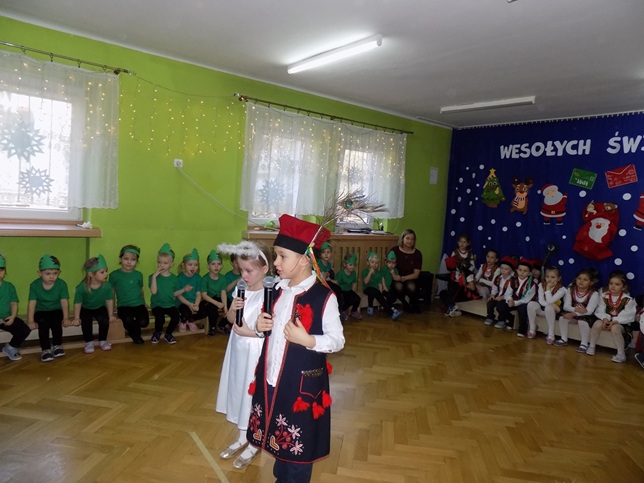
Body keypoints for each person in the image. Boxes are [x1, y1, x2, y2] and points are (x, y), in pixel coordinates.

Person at [250, 214, 345, 483]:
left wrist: (309, 340)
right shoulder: (277, 290)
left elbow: (338, 340)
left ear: (304, 259)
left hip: (301, 384)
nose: (276, 263)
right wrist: (259, 326)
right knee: (279, 431)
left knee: (298, 444)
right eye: (276, 256)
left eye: (282, 256)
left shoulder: (324, 296)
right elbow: (266, 329)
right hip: (273, 376)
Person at [215, 241, 272, 469]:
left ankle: (254, 441)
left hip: (255, 352)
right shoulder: (241, 289)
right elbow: (230, 319)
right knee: (238, 389)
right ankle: (242, 436)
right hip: (237, 350)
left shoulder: (270, 294)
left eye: (249, 271)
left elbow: (270, 329)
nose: (244, 275)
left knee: (252, 395)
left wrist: (249, 331)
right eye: (241, 270)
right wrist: (233, 308)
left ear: (265, 269)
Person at [27, 254, 70, 362]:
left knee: (56, 323)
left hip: (56, 310)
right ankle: (45, 349)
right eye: (48, 274)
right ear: (39, 273)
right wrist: (30, 320)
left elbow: (64, 301)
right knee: (43, 324)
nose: (52, 277)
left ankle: (57, 345)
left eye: (55, 273)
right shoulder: (34, 285)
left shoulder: (61, 284)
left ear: (59, 272)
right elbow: (32, 303)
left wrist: (66, 317)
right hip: (41, 311)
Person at [72, 255, 117, 354]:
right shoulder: (82, 287)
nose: (106, 274)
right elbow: (78, 303)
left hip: (100, 307)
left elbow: (109, 300)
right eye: (102, 272)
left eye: (106, 271)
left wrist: (110, 315)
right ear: (91, 274)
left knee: (104, 320)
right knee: (86, 321)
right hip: (86, 308)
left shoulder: (107, 286)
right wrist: (76, 317)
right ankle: (89, 342)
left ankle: (103, 340)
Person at [589, 270, 637, 362]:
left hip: (621, 323)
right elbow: (600, 309)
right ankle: (591, 346)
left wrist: (614, 321)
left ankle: (621, 354)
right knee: (597, 323)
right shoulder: (604, 296)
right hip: (606, 320)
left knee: (615, 328)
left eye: (617, 284)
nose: (613, 286)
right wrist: (605, 318)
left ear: (623, 287)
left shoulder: (628, 300)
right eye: (611, 283)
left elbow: (628, 315)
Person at [109, 245, 149, 345]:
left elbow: (141, 289)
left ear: (136, 261)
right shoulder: (114, 275)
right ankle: (135, 335)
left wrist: (144, 302)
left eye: (133, 260)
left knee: (144, 322)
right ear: (120, 259)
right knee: (127, 320)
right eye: (126, 259)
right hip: (123, 305)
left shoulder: (138, 275)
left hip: (138, 304)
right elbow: (112, 292)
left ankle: (134, 331)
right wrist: (112, 307)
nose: (129, 262)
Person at [559, 268, 599, 352]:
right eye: (579, 278)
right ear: (575, 279)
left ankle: (584, 344)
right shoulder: (571, 289)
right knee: (563, 317)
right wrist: (576, 310)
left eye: (585, 280)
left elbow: (589, 311)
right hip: (574, 313)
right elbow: (566, 306)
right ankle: (563, 339)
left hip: (587, 316)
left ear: (591, 282)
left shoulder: (594, 293)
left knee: (582, 321)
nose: (581, 281)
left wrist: (574, 314)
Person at [148, 243, 181, 344]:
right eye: (159, 262)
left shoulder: (174, 279)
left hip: (170, 304)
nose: (161, 265)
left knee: (176, 317)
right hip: (157, 305)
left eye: (165, 263)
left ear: (171, 264)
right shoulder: (152, 277)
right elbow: (153, 292)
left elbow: (175, 293)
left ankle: (168, 334)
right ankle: (157, 333)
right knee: (160, 318)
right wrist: (154, 277)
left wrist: (184, 290)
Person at [0, 254, 31, 361]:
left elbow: (13, 303)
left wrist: (13, 317)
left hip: (6, 318)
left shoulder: (9, 286)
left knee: (24, 329)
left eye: (1, 270)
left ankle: (10, 347)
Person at [525, 266, 565, 341]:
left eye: (553, 277)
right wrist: (550, 304)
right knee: (531, 304)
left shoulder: (562, 289)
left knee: (549, 307)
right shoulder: (541, 285)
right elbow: (541, 301)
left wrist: (548, 288)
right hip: (543, 309)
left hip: (555, 312)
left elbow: (550, 301)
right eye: (547, 277)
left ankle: (551, 334)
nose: (549, 279)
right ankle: (532, 328)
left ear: (559, 278)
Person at [496, 258, 536, 332]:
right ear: (517, 271)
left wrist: (515, 303)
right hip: (513, 301)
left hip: (523, 303)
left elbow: (527, 299)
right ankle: (510, 319)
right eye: (520, 270)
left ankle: (522, 329)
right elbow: (508, 293)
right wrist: (509, 300)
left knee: (522, 309)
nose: (522, 272)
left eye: (525, 271)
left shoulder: (532, 284)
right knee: (500, 305)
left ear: (529, 273)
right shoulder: (512, 280)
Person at [362, 251, 403, 320]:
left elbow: (379, 284)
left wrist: (380, 294)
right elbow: (365, 282)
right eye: (372, 262)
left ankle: (371, 308)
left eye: (376, 263)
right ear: (368, 263)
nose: (374, 264)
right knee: (373, 291)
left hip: (376, 290)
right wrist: (370, 273)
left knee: (376, 292)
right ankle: (391, 312)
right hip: (367, 288)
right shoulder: (365, 271)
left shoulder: (378, 273)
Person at [390, 228, 423, 313]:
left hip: (410, 277)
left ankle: (413, 304)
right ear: (402, 239)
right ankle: (404, 303)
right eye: (407, 238)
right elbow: (389, 266)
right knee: (398, 286)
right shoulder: (395, 250)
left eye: (412, 239)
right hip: (396, 276)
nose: (410, 241)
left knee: (411, 286)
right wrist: (395, 276)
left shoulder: (417, 254)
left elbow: (416, 274)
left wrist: (403, 278)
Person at [200, 250, 229, 336]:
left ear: (222, 266)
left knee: (231, 306)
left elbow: (223, 293)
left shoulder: (223, 278)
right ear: (208, 266)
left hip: (219, 298)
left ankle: (221, 325)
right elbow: (204, 295)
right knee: (212, 310)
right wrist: (217, 303)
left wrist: (225, 307)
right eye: (213, 264)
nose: (216, 266)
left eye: (218, 264)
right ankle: (212, 327)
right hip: (209, 299)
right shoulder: (205, 279)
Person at [176, 248, 205, 332]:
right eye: (190, 264)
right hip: (182, 302)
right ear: (183, 265)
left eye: (196, 265)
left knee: (203, 312)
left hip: (194, 301)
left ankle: (189, 319)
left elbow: (198, 294)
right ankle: (183, 320)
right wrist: (189, 304)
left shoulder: (198, 278)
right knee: (186, 312)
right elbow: (178, 296)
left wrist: (196, 304)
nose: (193, 267)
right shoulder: (179, 278)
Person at [484, 256, 516, 326]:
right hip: (498, 296)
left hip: (507, 298)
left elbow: (510, 292)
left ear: (511, 270)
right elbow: (495, 287)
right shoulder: (498, 277)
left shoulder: (512, 280)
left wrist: (502, 297)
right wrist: (492, 294)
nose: (503, 270)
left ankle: (502, 320)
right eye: (502, 268)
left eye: (506, 269)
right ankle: (490, 317)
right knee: (490, 303)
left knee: (500, 306)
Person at [335, 253, 362, 320]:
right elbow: (336, 283)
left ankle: (353, 311)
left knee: (357, 298)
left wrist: (353, 292)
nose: (352, 267)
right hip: (342, 291)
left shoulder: (353, 273)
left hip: (349, 290)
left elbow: (354, 283)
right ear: (345, 264)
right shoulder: (341, 273)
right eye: (350, 265)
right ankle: (343, 310)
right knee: (347, 300)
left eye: (354, 265)